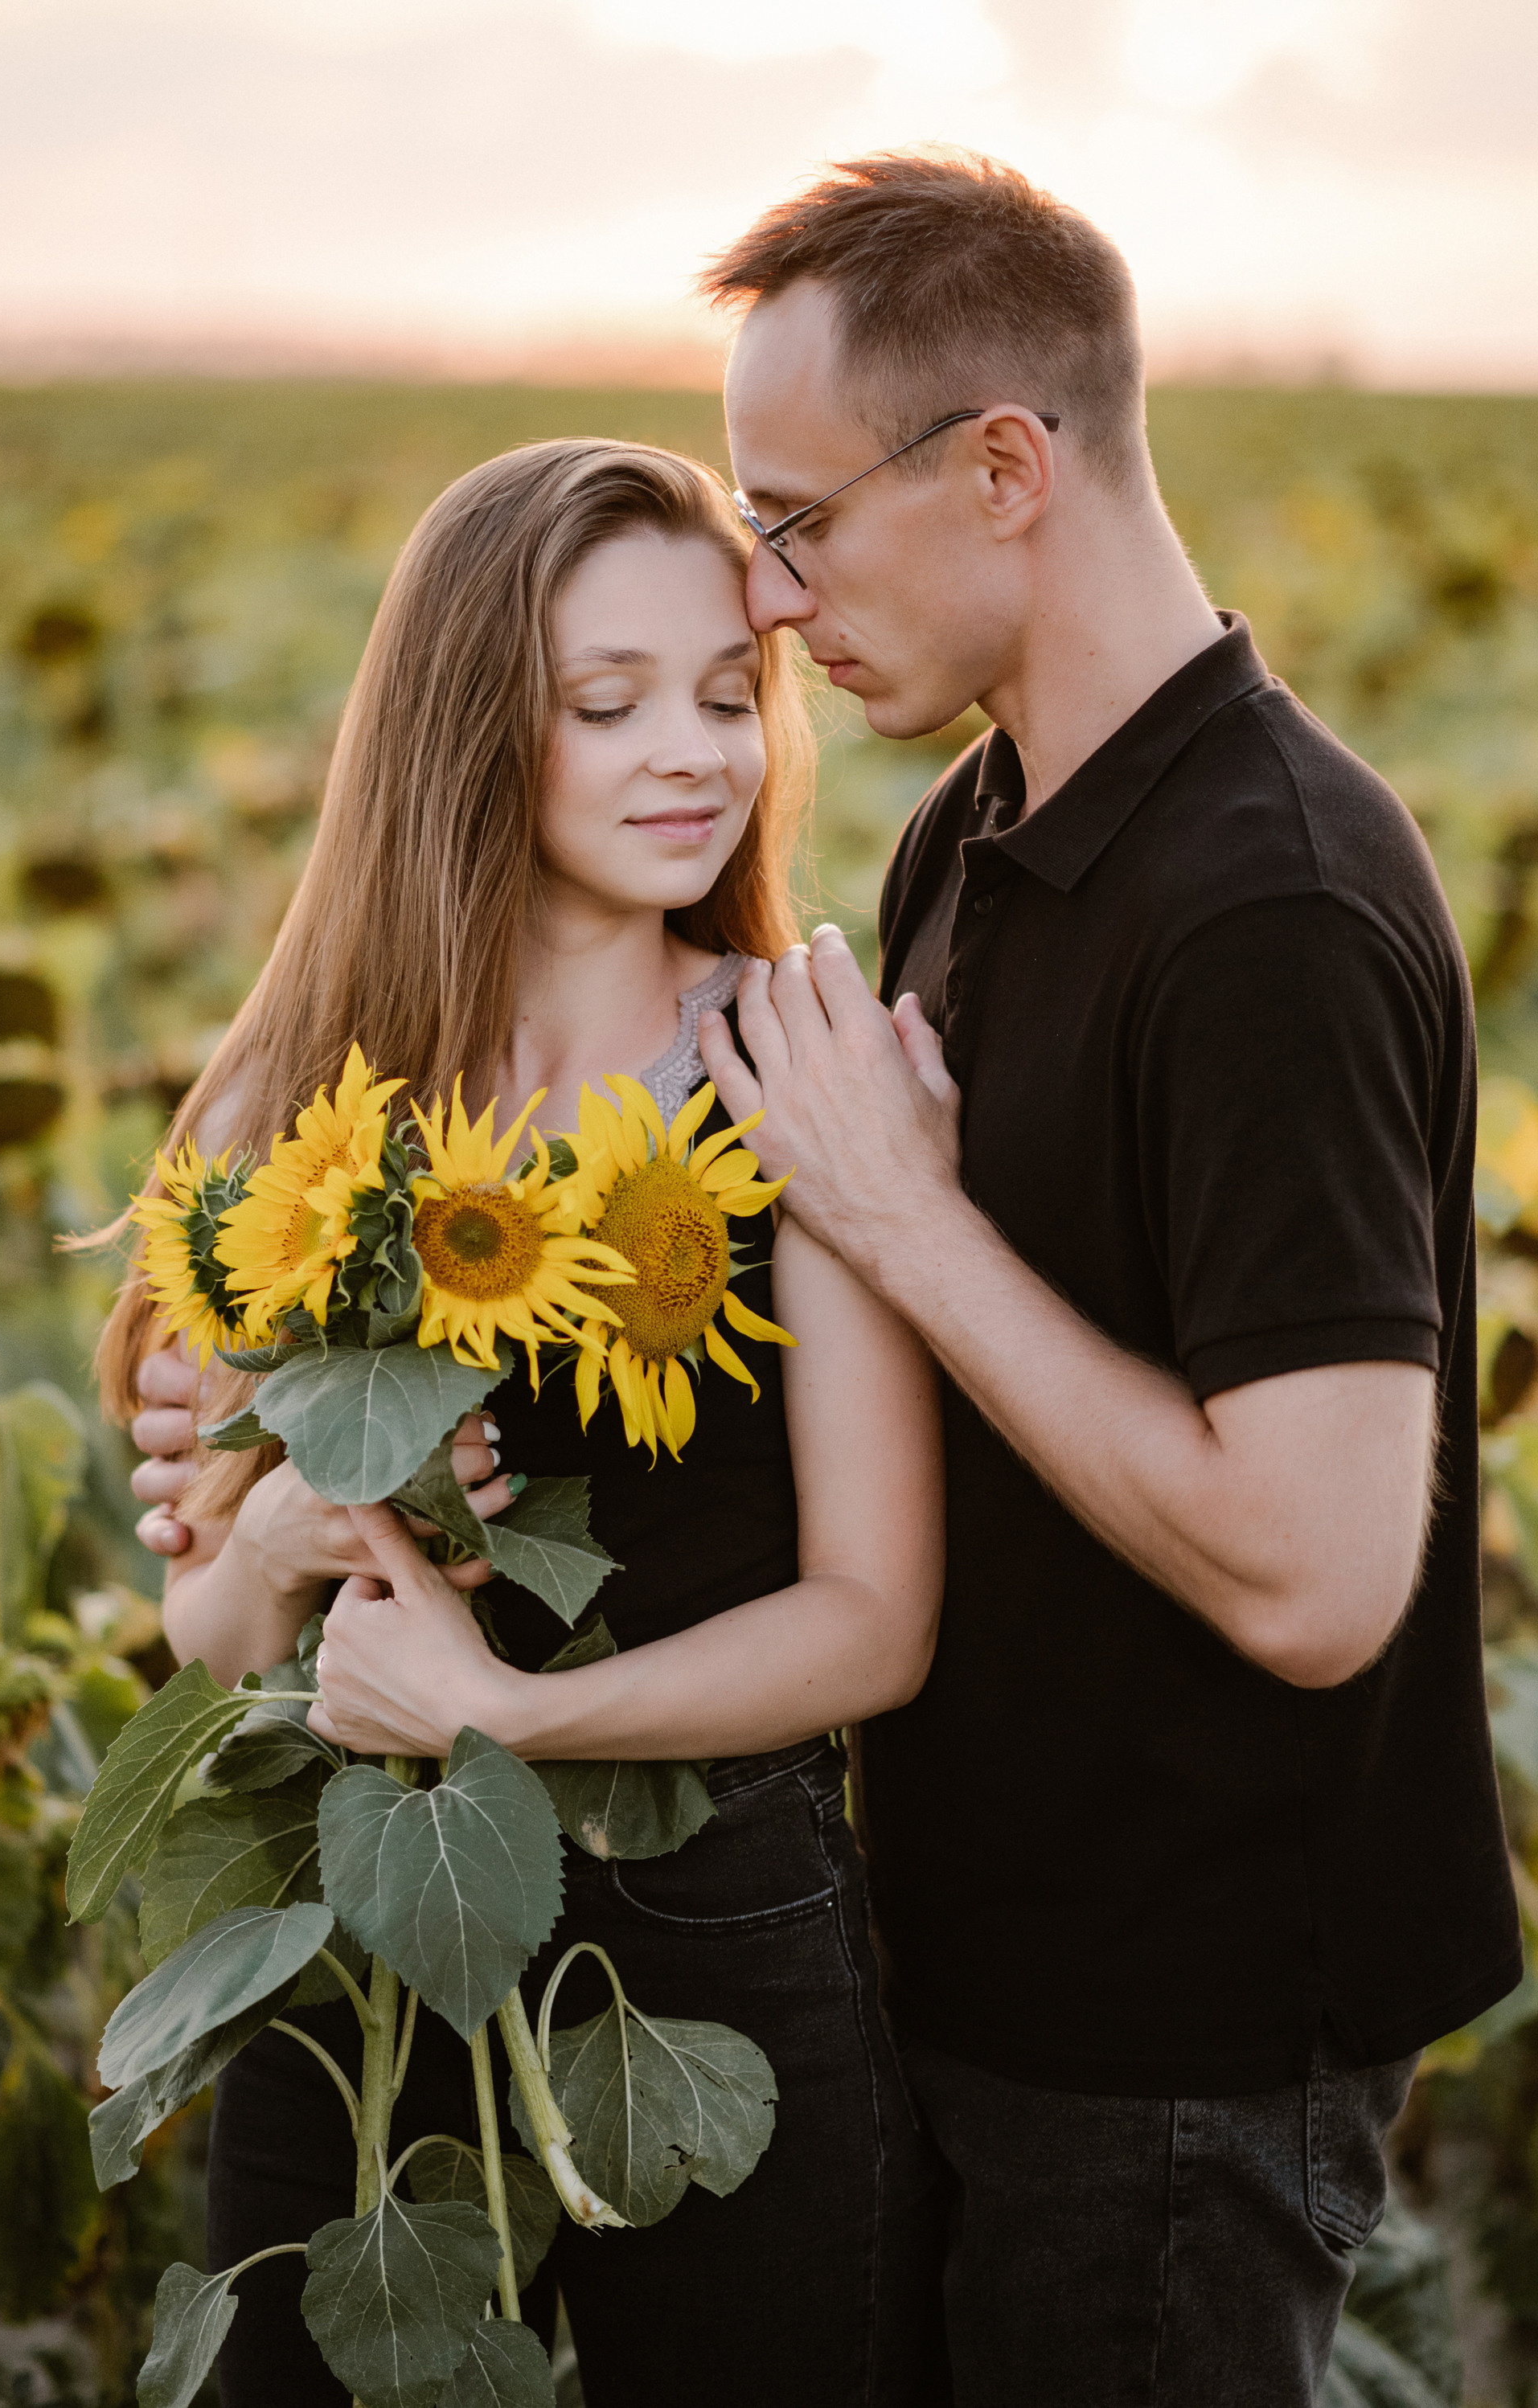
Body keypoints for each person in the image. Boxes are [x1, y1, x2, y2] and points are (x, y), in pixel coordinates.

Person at [690, 152, 1521, 2407]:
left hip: (1178, 2045)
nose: (767, 598)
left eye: (797, 522)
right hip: (987, 1970)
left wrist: (914, 1226)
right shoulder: (985, 822)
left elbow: (1320, 1572)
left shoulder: (1269, 904)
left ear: (1003, 468)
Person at [102, 439, 948, 2408]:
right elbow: (211, 1640)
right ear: (472, 731)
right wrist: (290, 1541)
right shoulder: (302, 1120)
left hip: (720, 1919)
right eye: (609, 701)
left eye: (729, 696)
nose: (694, 752)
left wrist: (516, 1707)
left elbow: (875, 1616)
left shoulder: (788, 1072)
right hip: (357, 1946)